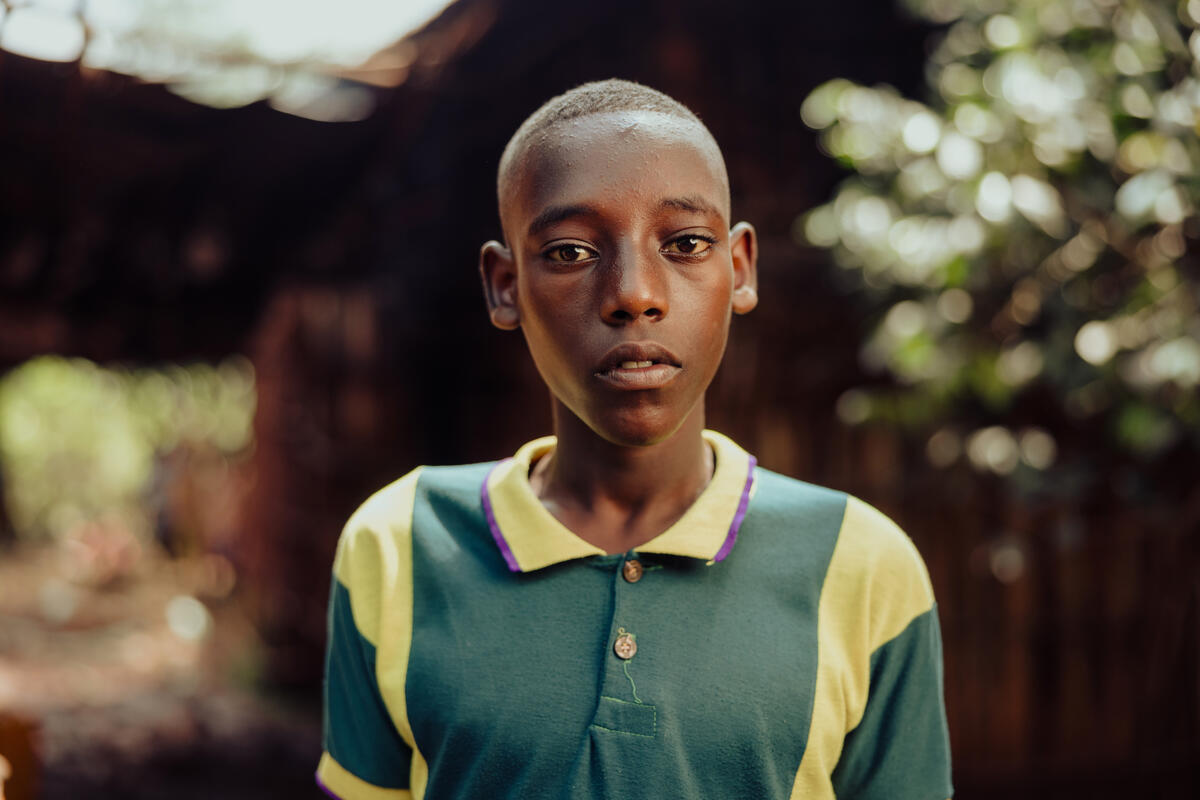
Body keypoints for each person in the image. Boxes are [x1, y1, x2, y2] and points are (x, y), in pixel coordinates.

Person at [316, 79, 952, 800]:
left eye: (684, 243)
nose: (634, 293)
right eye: (569, 252)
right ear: (504, 285)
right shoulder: (397, 545)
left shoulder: (862, 564)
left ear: (738, 270)